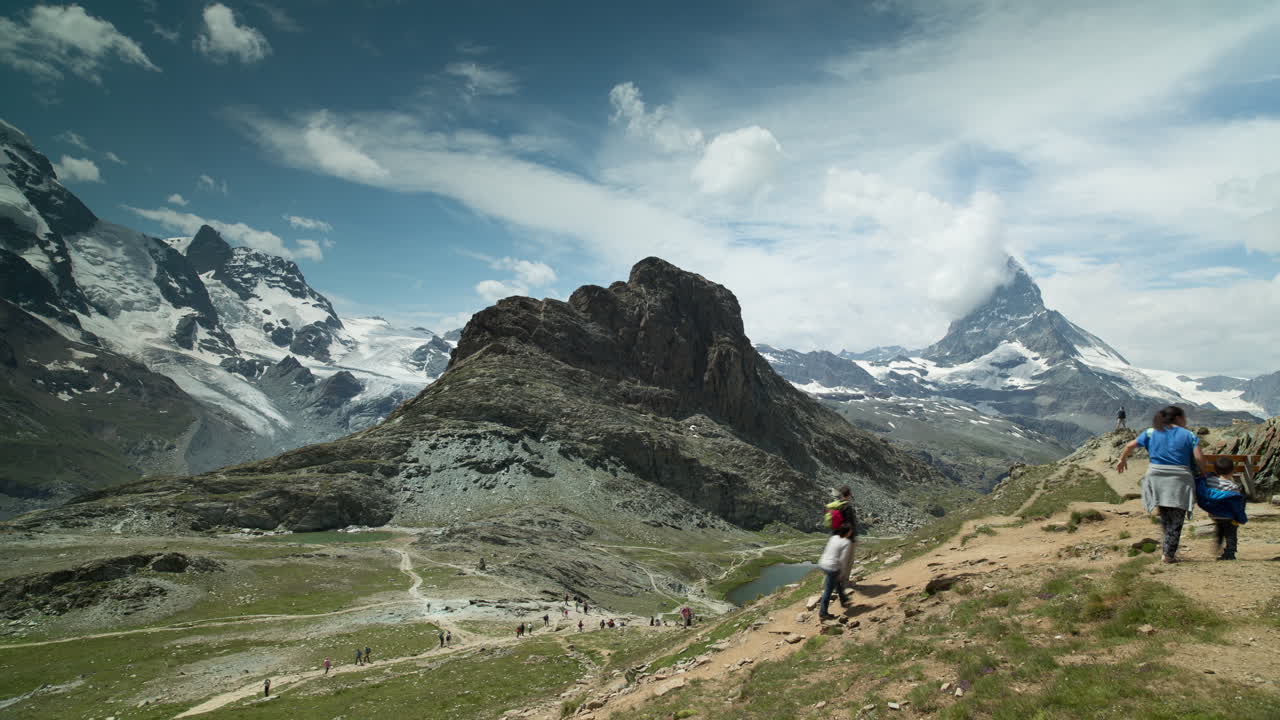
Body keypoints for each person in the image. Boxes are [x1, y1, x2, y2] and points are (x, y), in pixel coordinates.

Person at [1117, 405, 1204, 563]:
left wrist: (1122, 459)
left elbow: (1129, 445)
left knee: (1165, 515)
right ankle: (1168, 554)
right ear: (1178, 418)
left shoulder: (1151, 432)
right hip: (1180, 479)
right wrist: (1204, 473)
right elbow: (1198, 459)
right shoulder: (1189, 435)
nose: (1186, 420)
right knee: (1177, 518)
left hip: (1156, 478)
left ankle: (1167, 547)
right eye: (1184, 417)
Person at [1195, 456, 1248, 561]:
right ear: (1232, 471)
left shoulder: (1209, 481)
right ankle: (1230, 553)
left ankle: (1218, 543)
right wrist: (1240, 517)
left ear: (1215, 470)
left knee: (1220, 529)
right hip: (1229, 516)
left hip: (1215, 514)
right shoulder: (1232, 486)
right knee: (1231, 534)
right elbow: (1236, 503)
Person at [817, 523, 855, 621]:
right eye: (850, 531)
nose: (851, 533)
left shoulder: (834, 537)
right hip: (832, 567)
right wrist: (842, 573)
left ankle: (844, 600)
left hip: (823, 563)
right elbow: (843, 560)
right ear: (847, 532)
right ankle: (823, 613)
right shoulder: (846, 542)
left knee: (837, 583)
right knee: (828, 590)